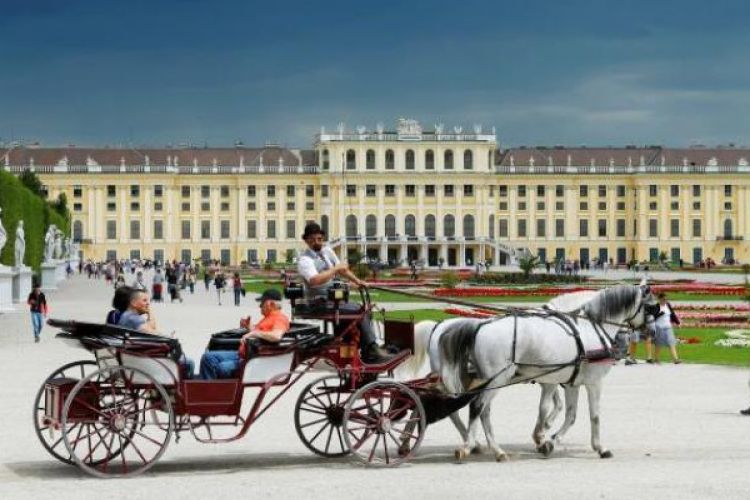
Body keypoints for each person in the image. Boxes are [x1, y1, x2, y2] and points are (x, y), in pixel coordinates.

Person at [297, 222, 392, 363]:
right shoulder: (305, 260)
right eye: (312, 240)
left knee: (358, 308)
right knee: (359, 310)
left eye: (319, 239)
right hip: (318, 302)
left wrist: (358, 281)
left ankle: (353, 347)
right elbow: (314, 280)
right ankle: (371, 349)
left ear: (323, 238)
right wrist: (334, 270)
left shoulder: (327, 251)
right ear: (306, 240)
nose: (316, 242)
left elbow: (343, 269)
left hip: (334, 300)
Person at [199, 289, 290, 379]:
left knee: (221, 366)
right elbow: (260, 332)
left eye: (262, 303)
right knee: (207, 357)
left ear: (271, 304)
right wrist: (248, 327)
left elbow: (276, 336)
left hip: (251, 359)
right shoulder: (269, 317)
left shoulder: (279, 318)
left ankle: (211, 391)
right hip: (243, 355)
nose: (260, 306)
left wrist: (255, 333)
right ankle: (207, 389)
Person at [118, 288, 195, 377]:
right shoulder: (133, 318)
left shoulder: (128, 316)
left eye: (148, 301)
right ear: (134, 303)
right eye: (144, 300)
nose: (148, 303)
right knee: (189, 363)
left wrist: (148, 310)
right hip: (142, 360)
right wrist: (167, 337)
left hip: (136, 356)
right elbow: (152, 332)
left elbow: (151, 328)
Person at [652, 293, 682, 364]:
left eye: (666, 299)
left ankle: (675, 359)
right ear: (659, 299)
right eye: (663, 299)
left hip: (668, 327)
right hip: (659, 327)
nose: (665, 301)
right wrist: (660, 313)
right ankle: (656, 358)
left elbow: (672, 314)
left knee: (671, 342)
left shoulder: (668, 305)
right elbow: (653, 317)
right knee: (659, 344)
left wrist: (677, 323)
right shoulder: (656, 306)